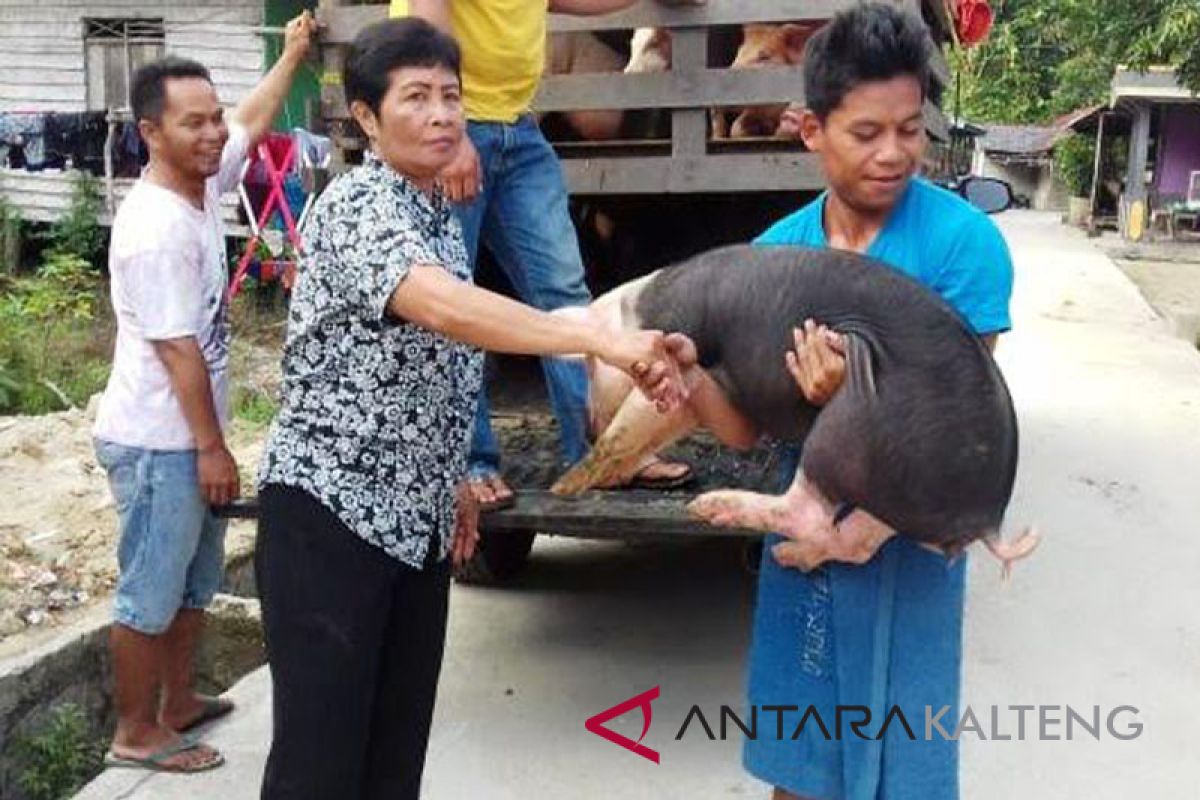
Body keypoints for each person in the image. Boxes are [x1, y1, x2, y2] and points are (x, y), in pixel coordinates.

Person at [253, 19, 683, 800]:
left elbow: (439, 367)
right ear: (367, 120)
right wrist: (593, 335)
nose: (444, 114)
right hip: (331, 517)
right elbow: (448, 312)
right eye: (415, 98)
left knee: (393, 758)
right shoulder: (355, 207)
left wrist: (453, 478)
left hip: (414, 526)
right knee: (319, 765)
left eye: (451, 95)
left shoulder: (435, 219)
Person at [742, 5, 1014, 799]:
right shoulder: (773, 257)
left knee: (905, 768)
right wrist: (683, 381)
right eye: (867, 134)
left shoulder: (965, 243)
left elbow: (960, 426)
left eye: (910, 130)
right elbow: (745, 425)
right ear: (810, 130)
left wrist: (847, 407)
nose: (895, 154)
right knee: (798, 766)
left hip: (913, 530)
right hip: (804, 520)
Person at [90, 14, 316, 774]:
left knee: (194, 580)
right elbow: (179, 350)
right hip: (161, 442)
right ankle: (135, 732)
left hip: (186, 436)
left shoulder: (201, 181)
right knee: (149, 593)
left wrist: (290, 55)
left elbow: (253, 117)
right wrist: (213, 446)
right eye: (195, 123)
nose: (215, 133)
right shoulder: (153, 227)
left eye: (213, 117)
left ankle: (178, 701)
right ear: (151, 132)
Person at [394, 0, 692, 511]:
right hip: (456, 128)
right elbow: (426, 21)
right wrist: (451, 128)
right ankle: (470, 465)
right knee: (454, 303)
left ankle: (604, 453)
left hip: (518, 129)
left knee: (564, 293)